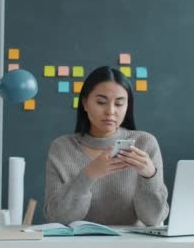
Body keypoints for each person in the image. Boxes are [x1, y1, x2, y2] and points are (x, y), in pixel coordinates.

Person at [43, 66, 169, 225]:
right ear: (85, 103)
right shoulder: (62, 147)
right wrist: (88, 174)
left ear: (127, 106)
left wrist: (150, 176)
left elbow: (154, 219)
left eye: (119, 104)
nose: (110, 111)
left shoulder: (145, 143)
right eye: (101, 102)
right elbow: (57, 217)